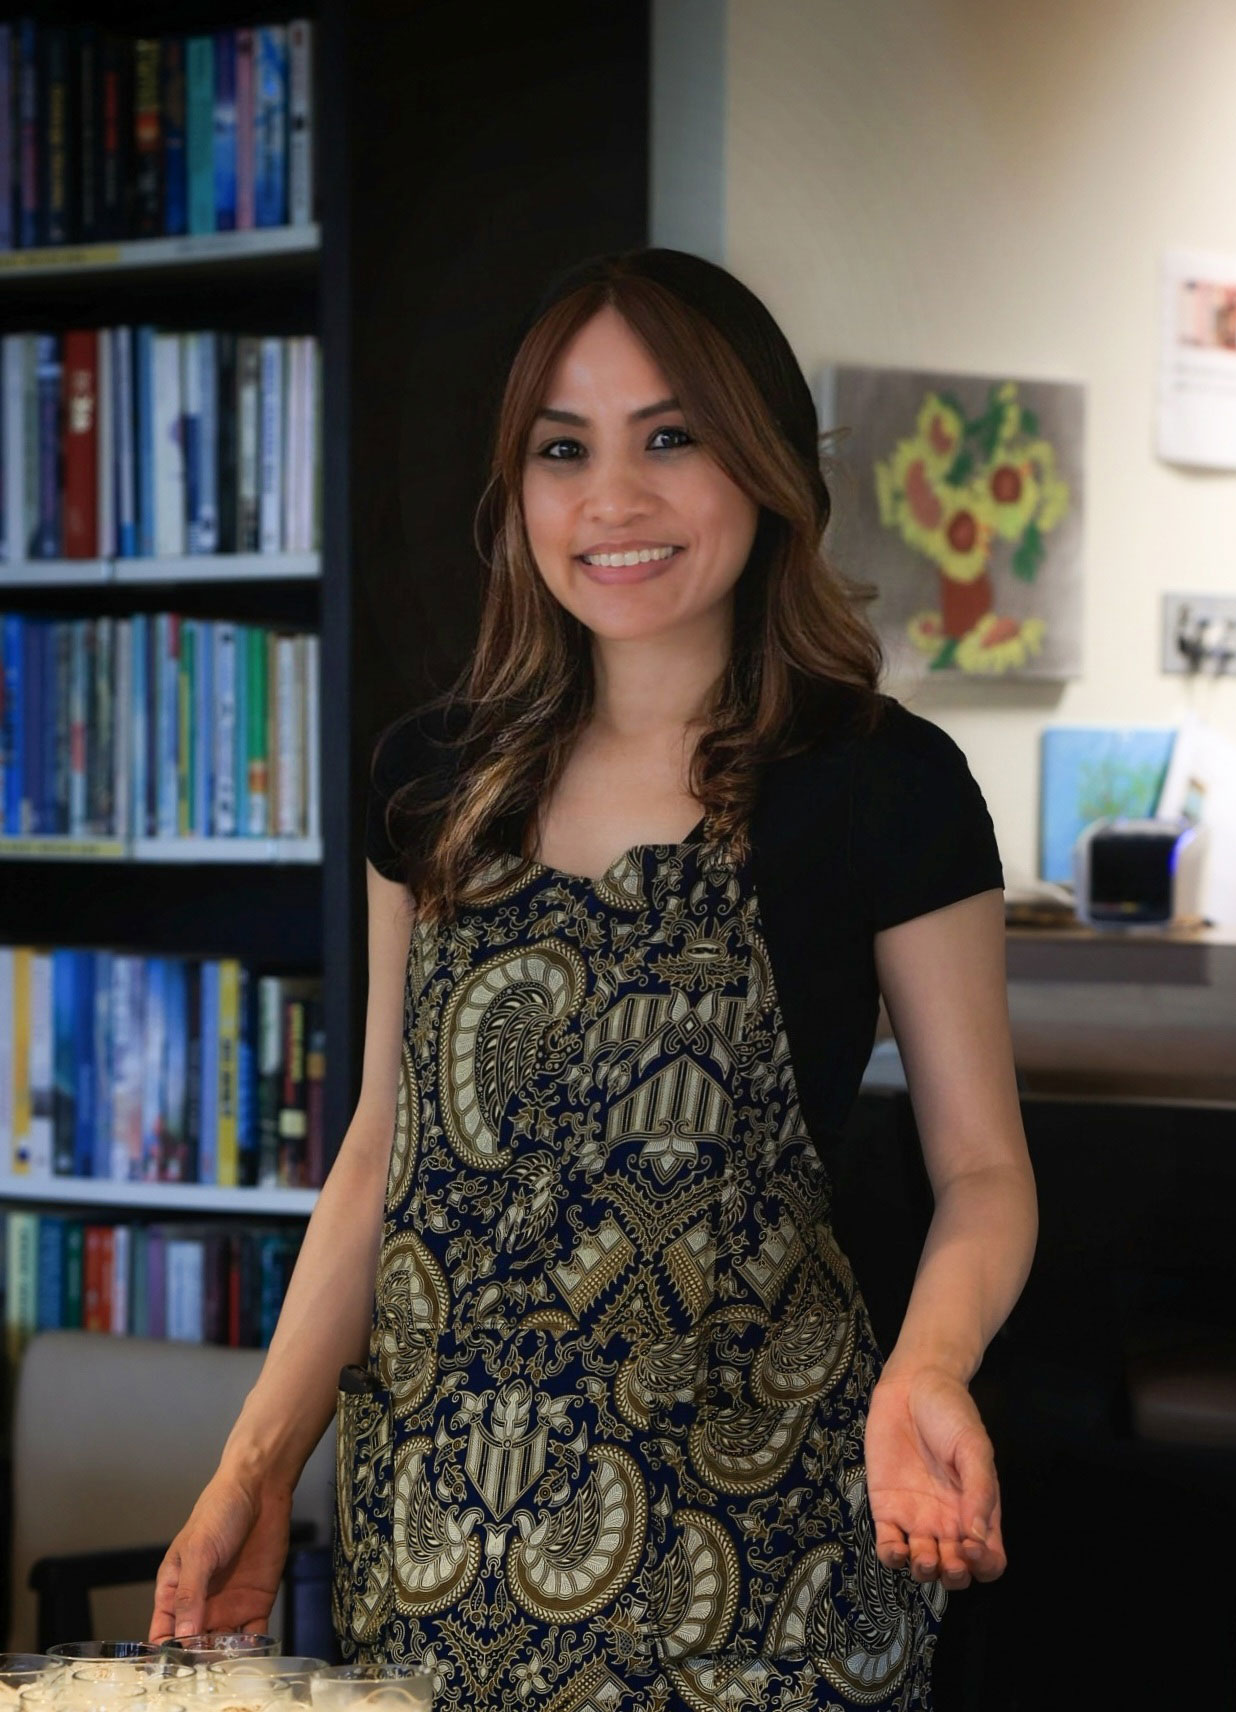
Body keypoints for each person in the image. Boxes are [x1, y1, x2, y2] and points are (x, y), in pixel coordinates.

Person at [151, 248, 1037, 1712]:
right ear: (519, 492)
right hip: (435, 1561)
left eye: (669, 438)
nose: (612, 499)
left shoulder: (884, 786)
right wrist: (256, 1463)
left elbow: (986, 1172)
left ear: (763, 464)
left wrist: (927, 1369)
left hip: (766, 1571)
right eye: (565, 450)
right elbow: (380, 1155)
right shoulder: (430, 781)